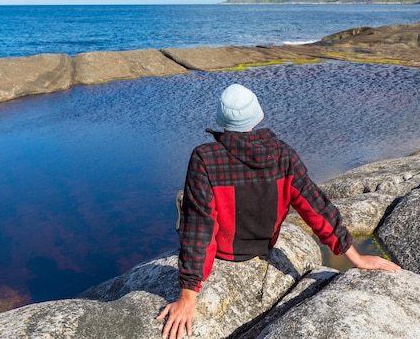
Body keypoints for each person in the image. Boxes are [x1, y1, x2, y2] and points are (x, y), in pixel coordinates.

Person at [156, 83, 400, 339]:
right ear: (257, 115)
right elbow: (316, 207)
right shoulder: (282, 154)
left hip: (224, 251)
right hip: (264, 246)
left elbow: (199, 227)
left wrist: (188, 295)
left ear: (221, 120)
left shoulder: (205, 158)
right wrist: (357, 257)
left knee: (187, 203)